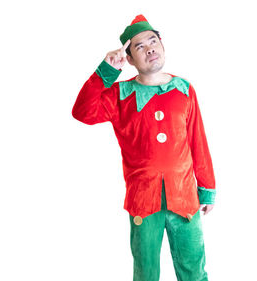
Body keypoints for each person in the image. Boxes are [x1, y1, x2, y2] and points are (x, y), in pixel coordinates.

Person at [72, 14, 216, 281]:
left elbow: (198, 141)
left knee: (194, 270)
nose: (150, 48)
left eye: (153, 41)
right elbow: (82, 112)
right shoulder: (119, 95)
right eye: (139, 46)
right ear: (129, 59)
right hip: (143, 200)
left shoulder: (184, 89)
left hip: (185, 199)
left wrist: (206, 189)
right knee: (146, 272)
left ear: (162, 44)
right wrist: (106, 70)